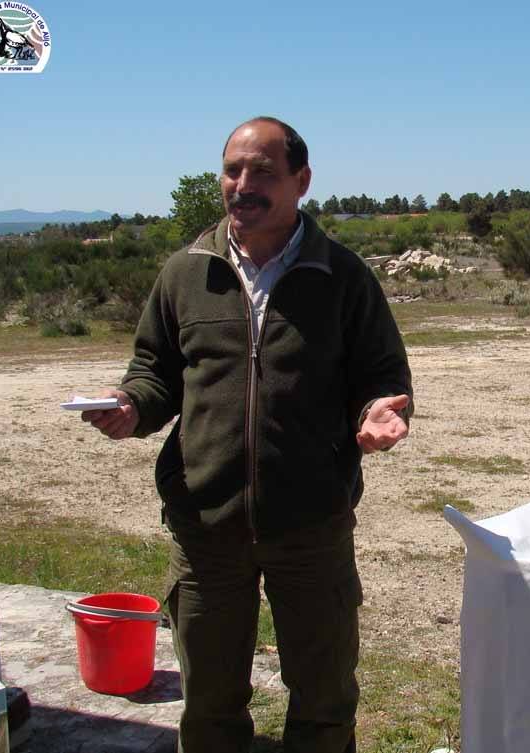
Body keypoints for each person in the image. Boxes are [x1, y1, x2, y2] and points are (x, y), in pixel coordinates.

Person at [82, 116, 413, 753]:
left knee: (323, 701)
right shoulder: (186, 273)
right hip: (205, 528)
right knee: (209, 704)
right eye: (232, 170)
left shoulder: (341, 276)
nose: (243, 184)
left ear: (301, 181)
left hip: (311, 525)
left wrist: (379, 410)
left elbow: (382, 374)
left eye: (262, 171)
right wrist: (130, 407)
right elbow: (154, 373)